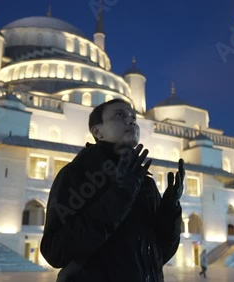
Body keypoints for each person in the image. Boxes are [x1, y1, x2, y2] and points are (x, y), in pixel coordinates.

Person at [41, 99, 185, 282]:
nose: (131, 121)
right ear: (97, 131)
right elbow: (55, 251)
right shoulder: (78, 174)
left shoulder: (143, 181)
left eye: (133, 117)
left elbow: (160, 254)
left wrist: (170, 210)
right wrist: (119, 196)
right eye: (119, 115)